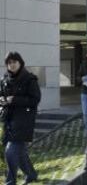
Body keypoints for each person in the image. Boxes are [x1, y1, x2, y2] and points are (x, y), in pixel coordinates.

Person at [0, 52, 41, 185]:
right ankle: (31, 174)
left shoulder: (29, 79)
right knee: (20, 151)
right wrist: (1, 99)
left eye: (14, 62)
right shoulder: (5, 78)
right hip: (8, 118)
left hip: (24, 119)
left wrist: (15, 100)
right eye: (9, 63)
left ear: (20, 63)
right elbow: (1, 93)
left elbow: (35, 99)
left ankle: (10, 182)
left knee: (10, 151)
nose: (11, 65)